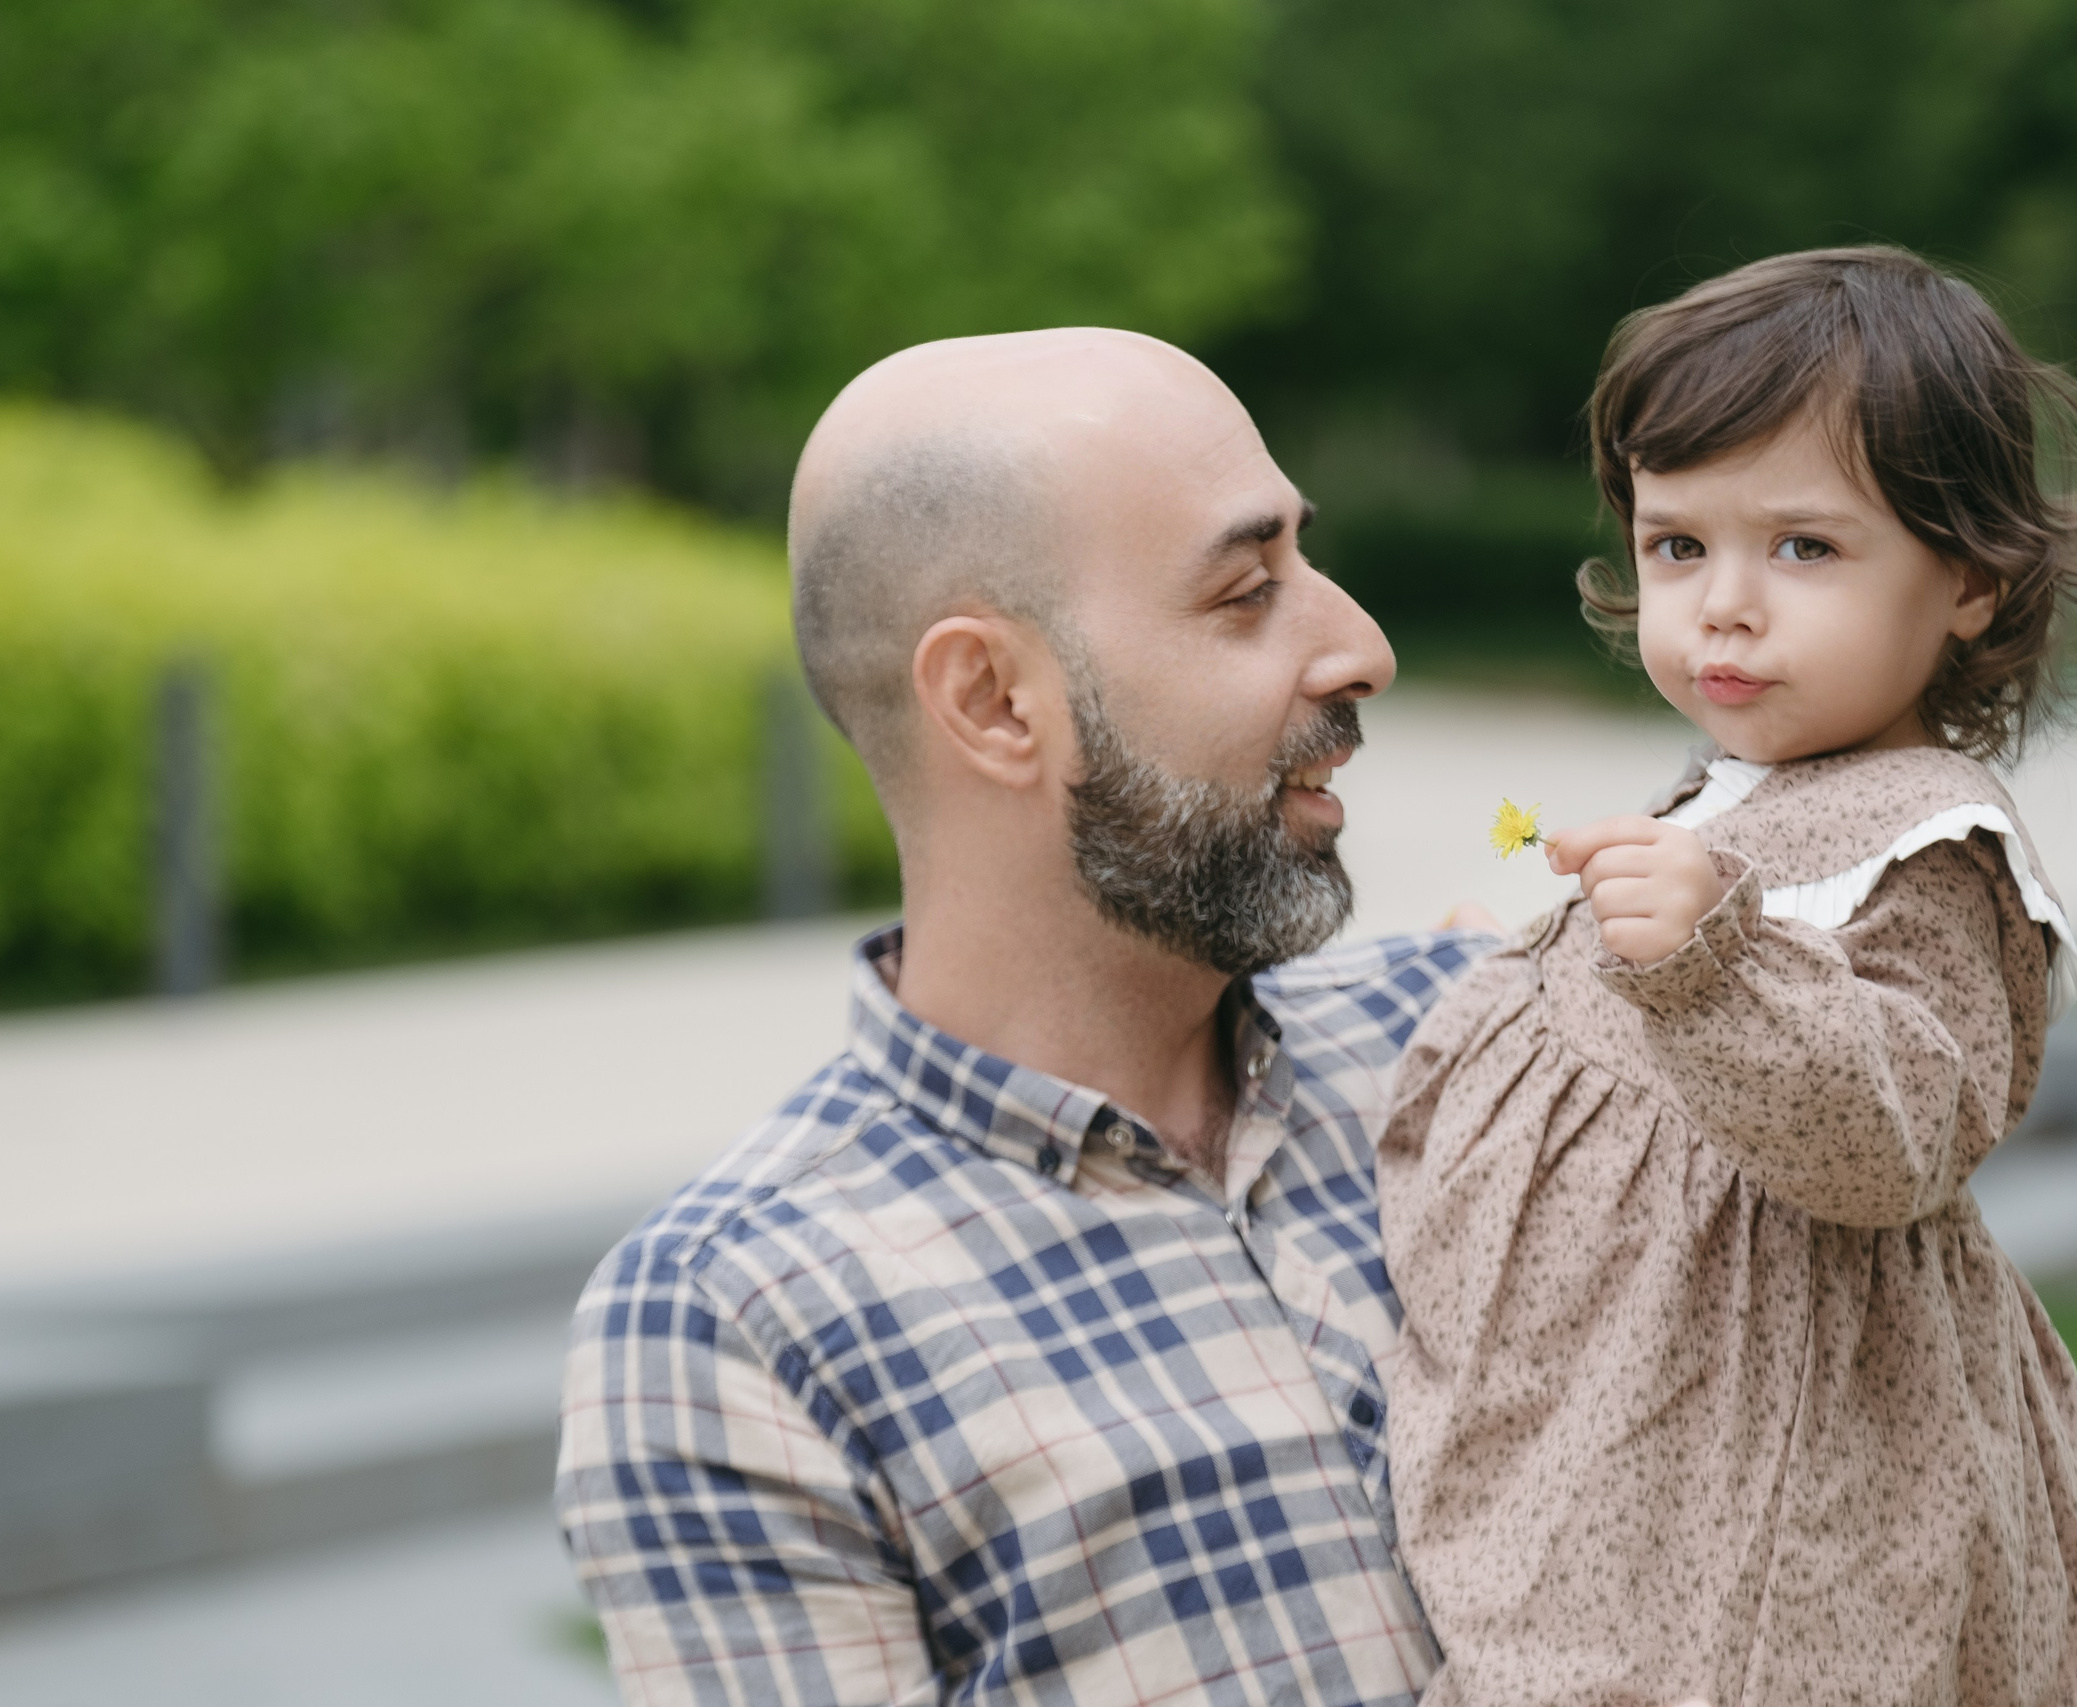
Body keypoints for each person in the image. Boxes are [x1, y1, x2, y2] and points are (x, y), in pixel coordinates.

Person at [555, 328, 1496, 1704]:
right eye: (1248, 592)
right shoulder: (740, 1323)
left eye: (1310, 558)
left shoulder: (1469, 1048)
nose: (1362, 647)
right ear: (995, 700)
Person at [1377, 247, 2077, 1705]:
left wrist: (1709, 969)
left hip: (1765, 1444)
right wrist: (1540, 972)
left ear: (1970, 577)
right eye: (1680, 547)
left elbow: (1893, 1128)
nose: (1724, 606)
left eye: (1803, 548)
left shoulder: (1932, 838)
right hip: (1617, 1423)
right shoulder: (1739, 787)